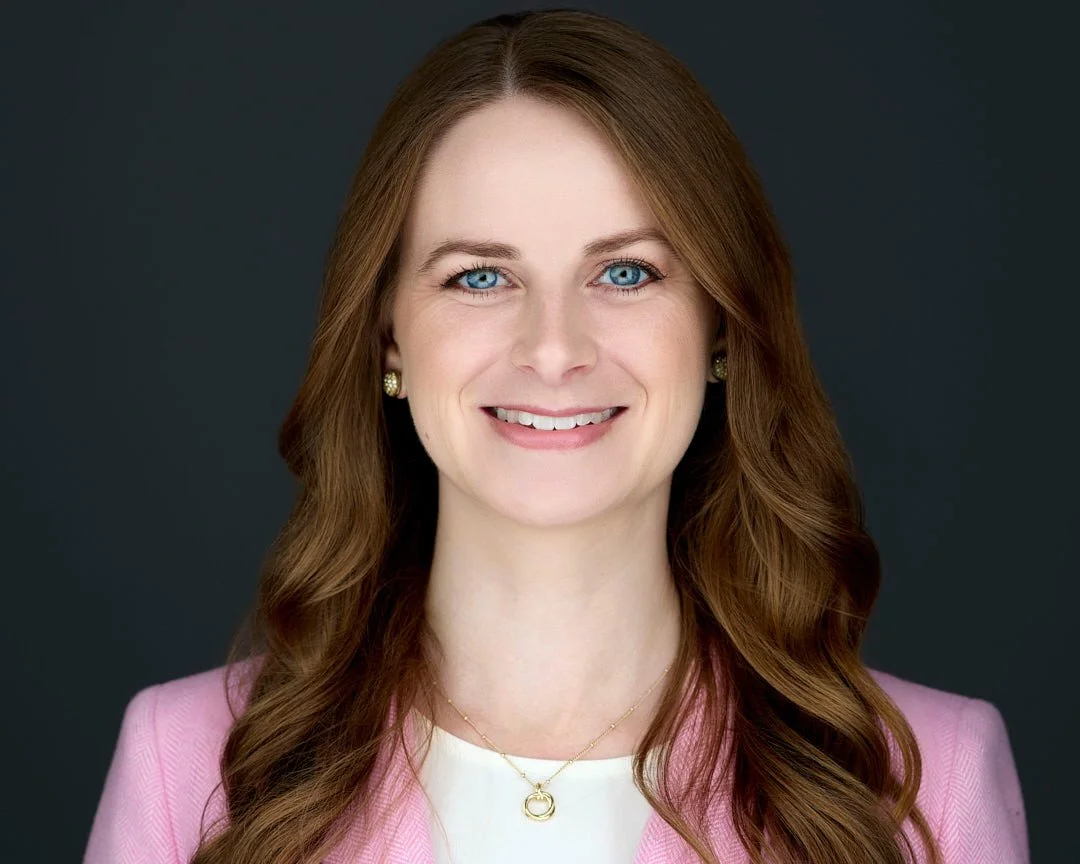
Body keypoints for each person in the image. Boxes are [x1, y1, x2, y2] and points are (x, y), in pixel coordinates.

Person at [83, 9, 1029, 864]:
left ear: (721, 332)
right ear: (388, 340)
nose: (553, 349)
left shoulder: (924, 784)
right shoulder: (185, 768)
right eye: (480, 278)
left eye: (624, 274)